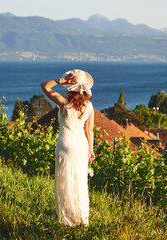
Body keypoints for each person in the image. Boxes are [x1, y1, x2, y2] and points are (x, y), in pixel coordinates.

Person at [40, 69, 95, 226]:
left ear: (71, 85)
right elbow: (89, 130)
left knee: (65, 181)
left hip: (66, 144)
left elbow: (44, 86)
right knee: (80, 182)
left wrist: (60, 81)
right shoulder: (89, 106)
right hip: (82, 145)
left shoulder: (63, 102)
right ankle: (82, 218)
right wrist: (91, 150)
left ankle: (67, 219)